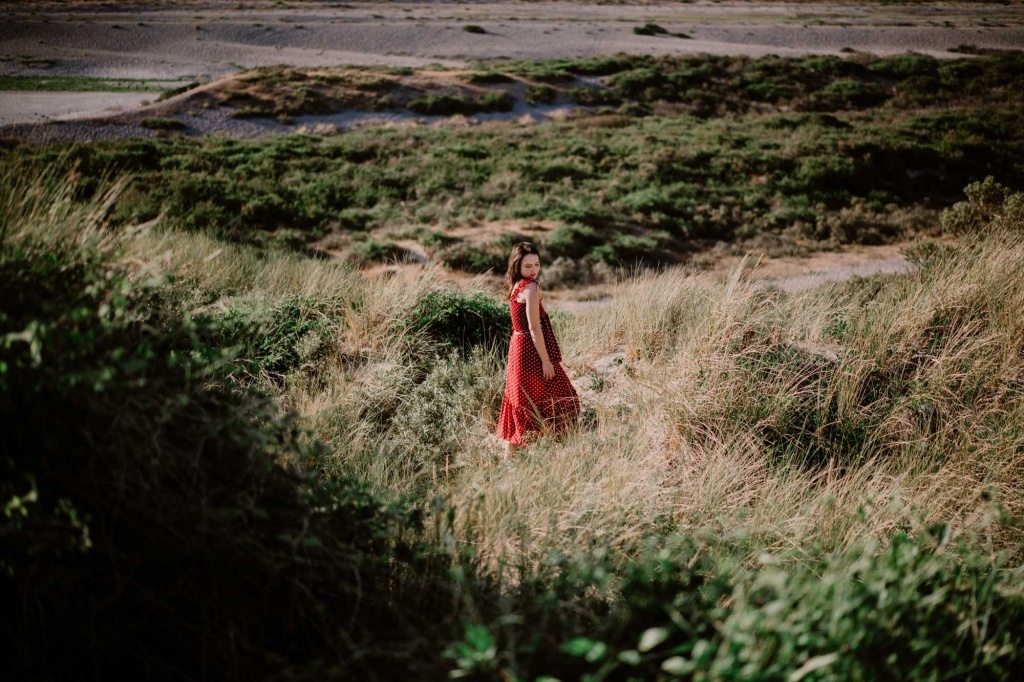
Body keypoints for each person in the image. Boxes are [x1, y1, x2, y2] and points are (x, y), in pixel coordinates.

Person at [496, 242, 580, 457]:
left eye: (537, 264)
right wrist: (545, 360)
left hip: (517, 348)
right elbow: (534, 328)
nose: (533, 270)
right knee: (563, 395)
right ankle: (554, 451)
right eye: (527, 266)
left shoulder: (516, 285)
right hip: (531, 350)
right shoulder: (531, 288)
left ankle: (510, 459)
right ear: (517, 266)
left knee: (522, 399)